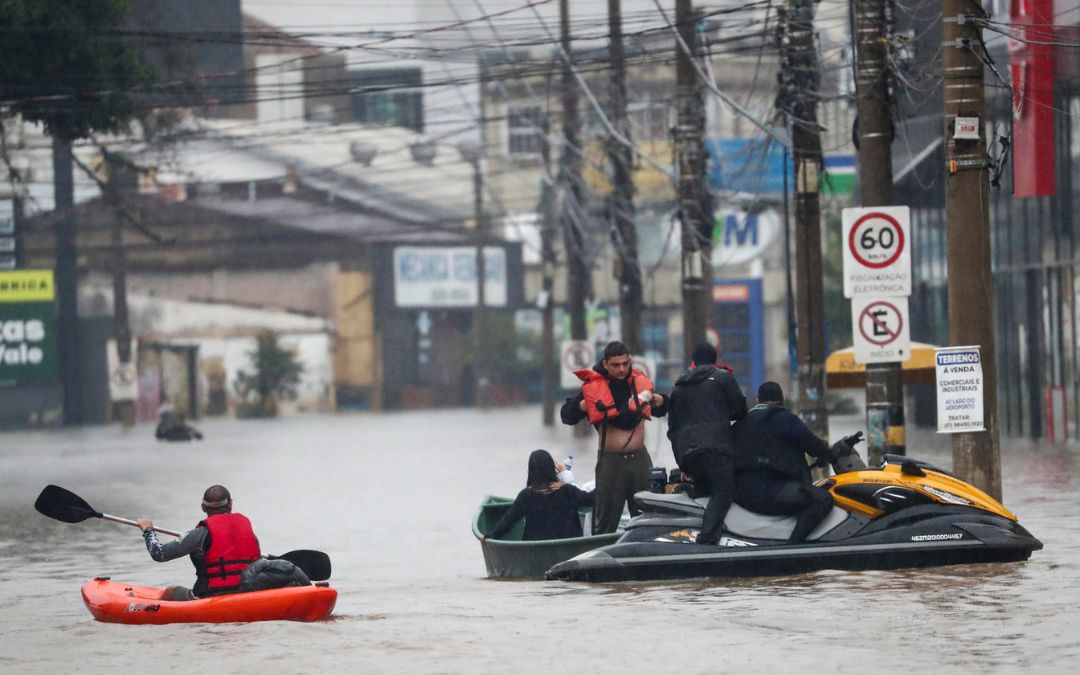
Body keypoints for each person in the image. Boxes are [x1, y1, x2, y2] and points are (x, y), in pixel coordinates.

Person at [560, 341, 668, 534]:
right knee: (606, 520)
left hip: (639, 459)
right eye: (616, 365)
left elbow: (663, 410)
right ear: (606, 364)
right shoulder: (594, 386)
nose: (622, 369)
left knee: (648, 515)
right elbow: (566, 415)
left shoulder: (638, 383)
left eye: (626, 364)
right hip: (611, 462)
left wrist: (662, 401)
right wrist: (582, 406)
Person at [732, 381, 836, 543]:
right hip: (771, 492)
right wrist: (830, 455)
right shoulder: (786, 419)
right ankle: (794, 546)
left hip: (741, 493)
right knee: (822, 499)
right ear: (782, 401)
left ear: (758, 401)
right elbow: (813, 445)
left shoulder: (741, 423)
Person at [666, 342, 748, 546]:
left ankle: (692, 533)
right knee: (723, 491)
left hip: (687, 452)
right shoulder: (723, 378)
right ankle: (708, 539)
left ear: (693, 362)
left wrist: (682, 462)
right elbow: (740, 410)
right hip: (715, 448)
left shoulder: (678, 386)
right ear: (715, 360)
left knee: (703, 491)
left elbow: (672, 428)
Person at [136, 485, 260, 601]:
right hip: (247, 591)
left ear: (203, 507)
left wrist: (148, 530)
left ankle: (149, 611)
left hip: (210, 595)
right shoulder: (248, 530)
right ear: (231, 504)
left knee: (170, 591)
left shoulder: (199, 534)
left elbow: (158, 553)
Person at [482, 450, 594, 541]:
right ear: (552, 469)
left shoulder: (526, 496)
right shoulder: (568, 490)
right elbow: (591, 499)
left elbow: (508, 521)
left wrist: (491, 535)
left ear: (530, 471)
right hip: (570, 548)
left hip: (536, 547)